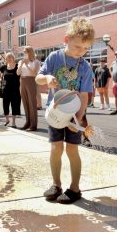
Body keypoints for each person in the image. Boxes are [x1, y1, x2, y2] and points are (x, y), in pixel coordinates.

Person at [36, 16, 94, 204]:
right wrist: (47, 78)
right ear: (66, 40)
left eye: (86, 48)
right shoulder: (54, 58)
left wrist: (77, 121)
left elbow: (84, 96)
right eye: (78, 47)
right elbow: (38, 78)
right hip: (55, 114)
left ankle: (75, 188)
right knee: (55, 148)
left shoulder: (85, 67)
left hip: (74, 115)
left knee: (72, 150)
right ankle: (56, 184)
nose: (82, 52)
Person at [17, 46, 40, 131]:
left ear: (30, 52)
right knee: (25, 102)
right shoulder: (20, 61)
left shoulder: (36, 62)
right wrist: (22, 64)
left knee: (32, 103)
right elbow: (18, 73)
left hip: (31, 81)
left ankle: (33, 125)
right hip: (22, 81)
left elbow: (34, 74)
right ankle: (28, 123)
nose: (24, 53)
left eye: (25, 52)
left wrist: (27, 64)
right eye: (23, 52)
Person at [0, 52, 21, 128]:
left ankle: (13, 122)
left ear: (13, 58)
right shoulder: (4, 67)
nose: (9, 58)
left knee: (15, 105)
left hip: (15, 89)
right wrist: (0, 78)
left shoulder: (17, 66)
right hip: (6, 89)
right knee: (5, 105)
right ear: (6, 59)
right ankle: (7, 120)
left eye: (11, 57)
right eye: (8, 57)